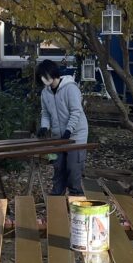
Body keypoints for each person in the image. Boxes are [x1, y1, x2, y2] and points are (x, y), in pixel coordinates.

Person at [36, 59, 88, 196]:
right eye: (40, 77)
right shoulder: (45, 93)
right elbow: (45, 113)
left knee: (73, 169)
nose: (42, 79)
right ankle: (56, 197)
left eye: (44, 75)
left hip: (76, 136)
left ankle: (76, 197)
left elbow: (76, 111)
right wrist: (44, 127)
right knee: (57, 166)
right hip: (57, 137)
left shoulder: (70, 88)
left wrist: (69, 130)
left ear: (52, 73)